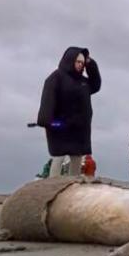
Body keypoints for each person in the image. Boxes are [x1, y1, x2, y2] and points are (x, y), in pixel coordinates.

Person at [37, 47, 101, 177]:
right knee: (58, 158)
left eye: (82, 63)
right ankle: (52, 186)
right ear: (70, 60)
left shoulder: (83, 82)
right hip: (60, 128)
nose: (80, 65)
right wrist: (55, 124)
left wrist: (90, 64)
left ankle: (73, 187)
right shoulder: (55, 78)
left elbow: (95, 85)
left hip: (79, 130)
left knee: (77, 158)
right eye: (78, 61)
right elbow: (46, 108)